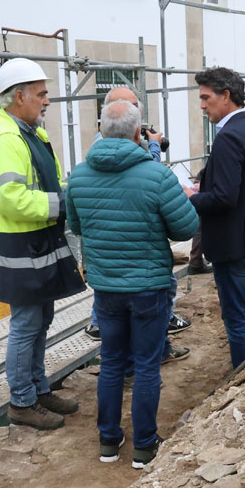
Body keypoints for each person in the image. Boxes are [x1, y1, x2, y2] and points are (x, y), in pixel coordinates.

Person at [65, 99, 199, 465]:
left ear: (101, 131)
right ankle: (144, 445)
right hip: (149, 288)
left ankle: (108, 441)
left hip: (106, 287)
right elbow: (186, 227)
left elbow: (77, 227)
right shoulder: (155, 175)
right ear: (139, 133)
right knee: (145, 365)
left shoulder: (78, 176)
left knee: (111, 363)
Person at [0, 58, 86, 430]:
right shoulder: (3, 141)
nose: (47, 101)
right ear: (18, 96)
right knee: (26, 323)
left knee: (42, 318)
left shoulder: (30, 134)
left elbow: (46, 183)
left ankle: (38, 389)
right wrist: (64, 205)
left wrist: (66, 196)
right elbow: (11, 199)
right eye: (41, 94)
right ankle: (21, 401)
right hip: (17, 248)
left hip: (37, 242)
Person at [83, 86, 193, 362]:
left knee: (114, 359)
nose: (133, 111)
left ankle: (141, 353)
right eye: (125, 105)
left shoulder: (88, 163)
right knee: (145, 358)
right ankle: (157, 348)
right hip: (140, 259)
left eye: (133, 104)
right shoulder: (118, 147)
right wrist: (154, 145)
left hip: (109, 264)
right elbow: (149, 175)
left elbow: (77, 221)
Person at [190, 67, 245, 369]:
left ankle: (242, 376)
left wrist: (193, 197)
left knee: (236, 314)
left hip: (233, 243)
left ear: (225, 96)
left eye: (205, 98)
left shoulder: (228, 138)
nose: (202, 105)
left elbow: (225, 197)